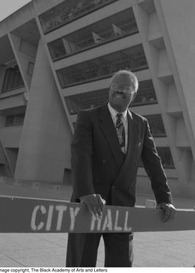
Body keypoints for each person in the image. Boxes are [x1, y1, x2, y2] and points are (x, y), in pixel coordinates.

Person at [66, 70, 177, 267]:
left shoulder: (141, 124)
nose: (119, 90)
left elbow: (153, 162)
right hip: (89, 205)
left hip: (123, 207)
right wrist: (85, 193)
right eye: (115, 86)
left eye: (125, 88)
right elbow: (80, 156)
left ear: (134, 94)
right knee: (81, 263)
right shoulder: (88, 117)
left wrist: (164, 199)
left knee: (122, 264)